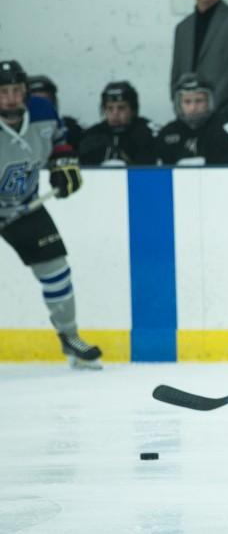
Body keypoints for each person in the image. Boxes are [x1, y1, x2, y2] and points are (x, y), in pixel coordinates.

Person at [0, 60, 102, 369]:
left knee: (56, 269)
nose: (11, 98)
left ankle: (70, 337)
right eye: (3, 92)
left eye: (17, 90)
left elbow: (60, 141)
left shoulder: (43, 111)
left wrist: (63, 163)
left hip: (25, 206)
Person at [156, 72, 228, 165]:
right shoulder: (167, 134)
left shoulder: (227, 131)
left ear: (209, 101)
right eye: (187, 102)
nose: (193, 107)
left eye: (199, 101)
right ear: (179, 104)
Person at [78, 81, 159, 166]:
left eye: (121, 108)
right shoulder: (92, 136)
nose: (115, 113)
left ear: (133, 109)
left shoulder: (147, 133)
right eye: (109, 108)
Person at [26, 75, 83, 150]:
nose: (41, 107)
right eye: (35, 102)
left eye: (46, 101)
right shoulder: (16, 134)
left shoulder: (72, 131)